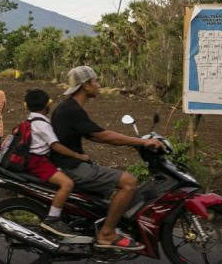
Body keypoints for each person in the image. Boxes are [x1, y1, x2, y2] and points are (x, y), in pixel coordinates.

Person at [50, 66, 165, 251]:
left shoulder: (69, 107)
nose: (98, 85)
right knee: (129, 182)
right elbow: (100, 135)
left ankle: (98, 225)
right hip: (70, 167)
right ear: (86, 85)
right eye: (95, 81)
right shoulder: (71, 110)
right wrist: (140, 142)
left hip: (68, 163)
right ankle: (107, 234)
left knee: (108, 184)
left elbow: (94, 134)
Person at [23, 89, 91, 237]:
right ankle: (52, 219)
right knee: (67, 184)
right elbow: (55, 145)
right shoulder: (43, 124)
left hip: (35, 160)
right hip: (38, 163)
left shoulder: (31, 121)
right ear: (46, 106)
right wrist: (77, 155)